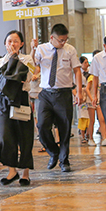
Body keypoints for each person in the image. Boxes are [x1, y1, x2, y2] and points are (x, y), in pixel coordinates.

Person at [0, 30, 36, 186]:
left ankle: (25, 173)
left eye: (15, 41)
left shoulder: (27, 59)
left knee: (24, 136)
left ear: (21, 44)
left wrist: (15, 58)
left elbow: (26, 78)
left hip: (21, 99)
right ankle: (12, 171)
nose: (12, 44)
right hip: (3, 101)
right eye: (9, 41)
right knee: (5, 137)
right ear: (5, 43)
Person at [34, 23, 83, 172]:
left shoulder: (70, 50)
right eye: (61, 40)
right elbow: (34, 65)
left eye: (65, 40)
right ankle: (53, 152)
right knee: (42, 125)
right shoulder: (41, 49)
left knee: (64, 128)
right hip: (46, 94)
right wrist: (32, 50)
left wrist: (79, 92)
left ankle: (64, 161)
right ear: (52, 38)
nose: (63, 43)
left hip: (64, 93)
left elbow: (77, 71)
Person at [77, 56, 91, 144]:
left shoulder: (90, 72)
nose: (87, 64)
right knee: (82, 116)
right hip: (81, 94)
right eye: (85, 62)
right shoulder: (78, 72)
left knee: (89, 116)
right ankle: (82, 135)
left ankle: (88, 134)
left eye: (87, 62)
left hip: (89, 94)